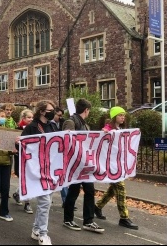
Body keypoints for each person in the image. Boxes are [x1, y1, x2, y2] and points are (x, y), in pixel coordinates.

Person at [62, 98, 104, 233]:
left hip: (85, 165)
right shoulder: (71, 122)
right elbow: (68, 141)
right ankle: (68, 219)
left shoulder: (84, 125)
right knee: (73, 192)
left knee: (90, 191)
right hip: (75, 165)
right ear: (86, 110)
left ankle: (88, 221)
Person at [94, 106, 139, 230]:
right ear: (114, 117)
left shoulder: (119, 129)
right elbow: (103, 135)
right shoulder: (108, 128)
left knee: (113, 190)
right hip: (111, 166)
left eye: (124, 115)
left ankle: (97, 207)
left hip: (117, 165)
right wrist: (105, 132)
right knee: (121, 189)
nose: (123, 117)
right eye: (120, 115)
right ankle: (124, 218)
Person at [21, 100, 56, 245]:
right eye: (50, 109)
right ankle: (43, 234)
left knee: (46, 202)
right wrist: (19, 141)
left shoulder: (53, 126)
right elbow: (21, 144)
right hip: (36, 170)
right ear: (42, 111)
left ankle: (36, 230)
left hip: (50, 169)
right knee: (45, 202)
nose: (52, 111)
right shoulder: (31, 127)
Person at [50, 107, 77, 211]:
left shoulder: (60, 123)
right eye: (58, 115)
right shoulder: (50, 125)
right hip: (53, 155)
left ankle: (65, 200)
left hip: (60, 154)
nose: (60, 117)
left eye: (61, 115)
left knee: (62, 177)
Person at [12, 108, 34, 214]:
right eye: (29, 117)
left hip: (31, 158)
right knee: (24, 180)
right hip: (20, 157)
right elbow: (14, 143)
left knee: (28, 180)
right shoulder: (18, 129)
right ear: (23, 118)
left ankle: (18, 194)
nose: (31, 119)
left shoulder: (34, 129)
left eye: (32, 117)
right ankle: (27, 203)